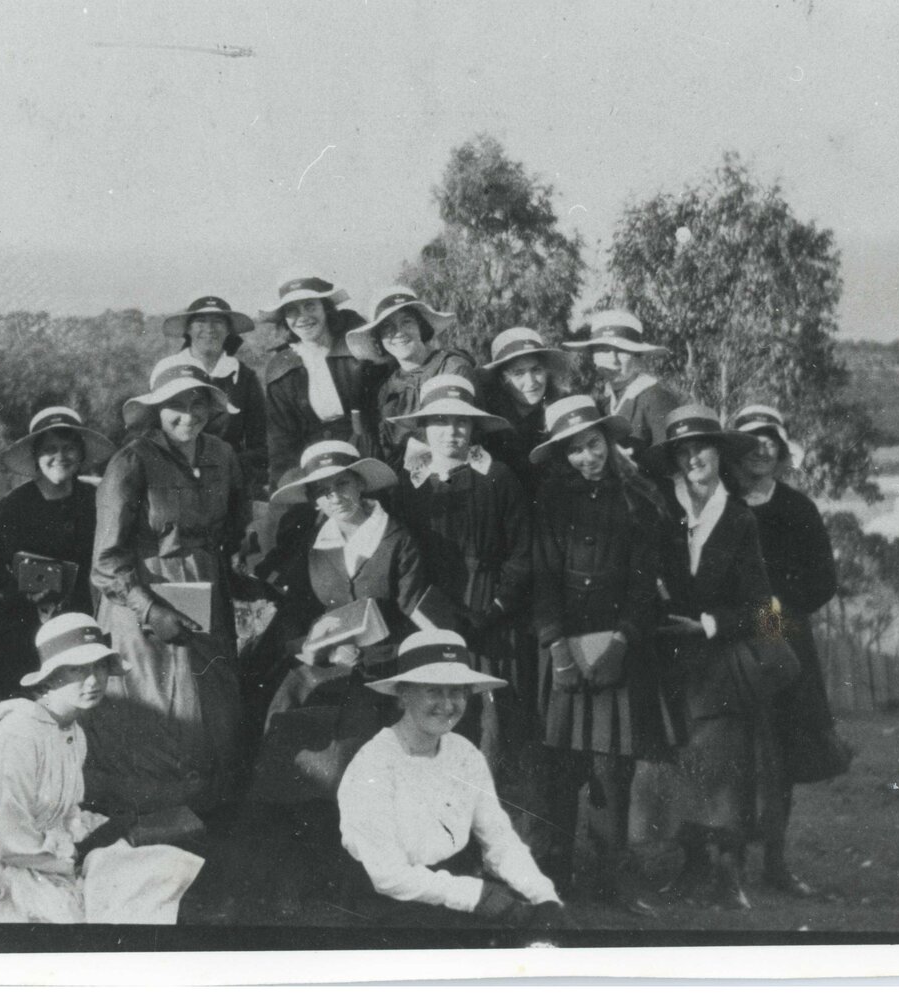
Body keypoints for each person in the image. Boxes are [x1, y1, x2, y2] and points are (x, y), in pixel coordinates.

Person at [241, 440, 426, 912]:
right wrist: (318, 647)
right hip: (323, 673)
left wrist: (368, 653)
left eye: (342, 484)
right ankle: (299, 875)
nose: (334, 497)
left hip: (381, 676)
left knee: (352, 763)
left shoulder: (395, 539)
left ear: (361, 484)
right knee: (285, 736)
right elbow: (298, 619)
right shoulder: (314, 545)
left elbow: (414, 618)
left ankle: (358, 887)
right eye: (322, 492)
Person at [0, 614, 204, 924]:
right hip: (5, 867)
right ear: (52, 677)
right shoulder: (20, 735)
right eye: (76, 670)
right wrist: (72, 859)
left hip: (53, 847)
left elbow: (68, 808)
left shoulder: (72, 731)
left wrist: (89, 841)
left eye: (99, 667)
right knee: (78, 918)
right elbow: (9, 841)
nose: (93, 681)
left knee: (164, 868)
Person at [526, 395, 673, 916]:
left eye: (593, 446)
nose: (587, 458)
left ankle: (612, 881)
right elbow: (541, 578)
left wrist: (624, 641)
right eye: (574, 451)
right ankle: (551, 881)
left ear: (609, 445)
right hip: (562, 648)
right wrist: (555, 645)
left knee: (613, 770)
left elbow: (641, 583)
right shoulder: (547, 502)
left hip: (617, 650)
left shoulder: (635, 499)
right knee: (557, 770)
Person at [85, 359, 251, 817]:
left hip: (205, 598)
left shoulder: (222, 456)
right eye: (175, 405)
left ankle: (206, 828)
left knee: (210, 711)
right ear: (156, 409)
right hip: (144, 602)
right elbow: (106, 561)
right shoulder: (131, 462)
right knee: (153, 715)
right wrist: (148, 609)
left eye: (198, 402)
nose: (188, 415)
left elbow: (236, 529)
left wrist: (239, 574)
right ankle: (143, 827)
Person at [337, 630, 567, 927]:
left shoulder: (465, 754)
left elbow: (499, 839)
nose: (447, 705)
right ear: (403, 694)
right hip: (385, 904)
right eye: (433, 690)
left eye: (457, 691)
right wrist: (479, 897)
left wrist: (543, 896)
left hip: (454, 887)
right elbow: (387, 876)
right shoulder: (375, 763)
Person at [643, 403, 777, 910]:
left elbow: (761, 607)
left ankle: (729, 874)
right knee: (683, 768)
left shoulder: (740, 518)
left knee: (726, 770)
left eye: (702, 447)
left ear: (719, 454)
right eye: (683, 450)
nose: (694, 457)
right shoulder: (663, 509)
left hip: (719, 663)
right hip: (669, 661)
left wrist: (709, 624)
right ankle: (691, 865)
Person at [730, 403, 845, 897]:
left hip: (783, 643)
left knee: (780, 756)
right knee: (729, 753)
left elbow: (822, 581)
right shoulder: (720, 502)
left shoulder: (798, 509)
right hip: (728, 641)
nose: (760, 449)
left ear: (780, 450)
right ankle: (722, 864)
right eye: (750, 440)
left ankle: (775, 863)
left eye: (769, 441)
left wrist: (775, 608)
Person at [387, 374, 530, 762]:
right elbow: (400, 557)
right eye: (440, 422)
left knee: (491, 723)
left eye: (461, 422)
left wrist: (495, 609)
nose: (451, 431)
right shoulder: (409, 484)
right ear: (424, 429)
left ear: (473, 427)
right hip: (428, 613)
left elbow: (522, 554)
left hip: (489, 615)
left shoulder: (498, 478)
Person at [0, 406, 115, 694]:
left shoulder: (95, 502)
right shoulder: (14, 506)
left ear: (80, 454)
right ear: (35, 456)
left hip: (78, 618)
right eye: (50, 449)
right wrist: (25, 592)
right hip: (22, 625)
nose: (60, 457)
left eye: (68, 448)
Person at [259, 273, 389, 489]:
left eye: (310, 306)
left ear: (325, 308)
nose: (303, 317)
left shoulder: (357, 348)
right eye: (292, 311)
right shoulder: (281, 368)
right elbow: (281, 442)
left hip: (368, 452)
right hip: (312, 464)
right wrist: (285, 487)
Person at [346, 287, 475, 472]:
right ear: (379, 339)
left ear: (421, 327)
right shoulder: (386, 386)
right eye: (388, 327)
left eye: (407, 322)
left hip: (452, 471)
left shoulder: (452, 368)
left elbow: (458, 435)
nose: (399, 333)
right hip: (403, 481)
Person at [154, 294, 268, 494]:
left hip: (228, 476)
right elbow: (147, 429)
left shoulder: (243, 376)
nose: (209, 329)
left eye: (218, 322)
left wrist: (228, 469)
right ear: (188, 329)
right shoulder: (167, 370)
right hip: (171, 475)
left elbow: (259, 443)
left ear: (228, 331)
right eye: (200, 321)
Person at [562, 308, 683, 451]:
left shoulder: (655, 398)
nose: (613, 360)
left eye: (622, 351)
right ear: (594, 356)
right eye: (605, 350)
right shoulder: (602, 403)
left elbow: (672, 455)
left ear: (637, 356)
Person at [478, 326, 576, 492]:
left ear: (546, 371)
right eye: (518, 373)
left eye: (536, 370)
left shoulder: (563, 412)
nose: (531, 382)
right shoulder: (488, 422)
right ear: (503, 379)